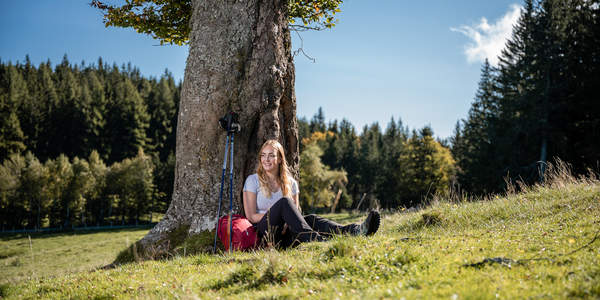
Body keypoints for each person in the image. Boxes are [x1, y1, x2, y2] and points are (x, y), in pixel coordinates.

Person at [243, 139, 380, 248]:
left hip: (286, 236)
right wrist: (279, 216)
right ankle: (317, 240)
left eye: (271, 155)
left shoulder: (291, 183)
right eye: (263, 155)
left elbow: (295, 213)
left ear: (279, 159)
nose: (266, 159)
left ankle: (356, 231)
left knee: (311, 219)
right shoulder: (252, 181)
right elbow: (251, 216)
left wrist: (287, 221)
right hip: (265, 235)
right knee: (284, 203)